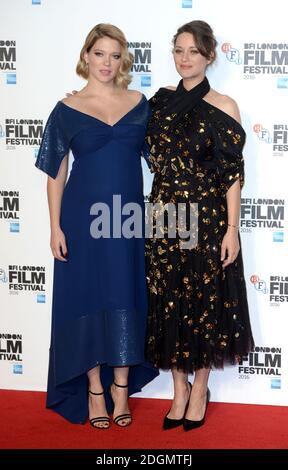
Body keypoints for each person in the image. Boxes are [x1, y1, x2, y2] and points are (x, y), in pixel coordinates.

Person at [35, 23, 158, 429]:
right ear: (86, 55)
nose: (107, 63)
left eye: (115, 55)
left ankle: (121, 386)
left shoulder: (141, 103)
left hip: (126, 221)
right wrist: (55, 226)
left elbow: (167, 149)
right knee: (87, 297)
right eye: (100, 53)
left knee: (125, 292)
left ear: (124, 60)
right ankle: (95, 390)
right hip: (81, 220)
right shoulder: (66, 109)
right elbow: (55, 172)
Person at [144, 20, 254, 431]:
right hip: (163, 217)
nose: (184, 58)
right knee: (169, 299)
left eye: (193, 51)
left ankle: (201, 384)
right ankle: (179, 390)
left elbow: (231, 175)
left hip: (207, 220)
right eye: (178, 50)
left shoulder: (225, 106)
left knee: (206, 302)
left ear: (209, 55)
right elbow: (118, 129)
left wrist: (232, 229)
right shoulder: (156, 103)